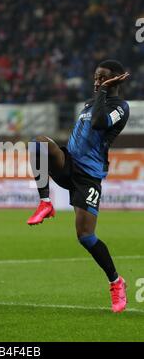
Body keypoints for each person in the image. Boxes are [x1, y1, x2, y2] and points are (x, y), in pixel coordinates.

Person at [27, 60, 130, 313]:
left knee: (85, 237)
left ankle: (116, 282)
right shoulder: (88, 103)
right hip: (69, 164)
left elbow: (97, 124)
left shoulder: (121, 107)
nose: (97, 82)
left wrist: (104, 91)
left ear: (115, 79)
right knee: (38, 142)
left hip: (89, 176)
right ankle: (45, 202)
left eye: (102, 78)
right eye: (95, 77)